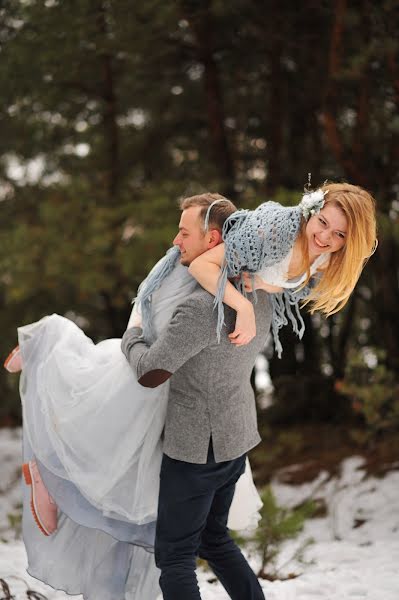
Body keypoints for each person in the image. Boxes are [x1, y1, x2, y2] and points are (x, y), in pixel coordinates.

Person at [5, 193, 263, 600]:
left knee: (175, 557)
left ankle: (45, 448)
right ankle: (46, 463)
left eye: (183, 232)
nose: (175, 240)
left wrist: (133, 336)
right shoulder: (257, 294)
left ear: (213, 239)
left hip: (198, 445)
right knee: (215, 541)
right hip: (236, 438)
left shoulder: (202, 307)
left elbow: (150, 373)